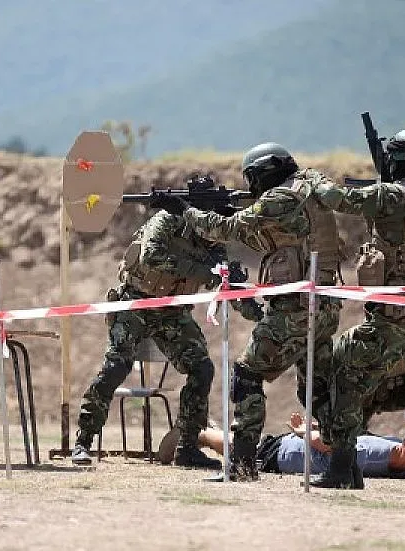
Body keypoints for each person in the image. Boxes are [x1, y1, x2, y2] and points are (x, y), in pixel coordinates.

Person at [150, 143, 345, 481]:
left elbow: (229, 231)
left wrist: (183, 209)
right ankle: (345, 467)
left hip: (296, 309)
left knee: (247, 374)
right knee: (319, 386)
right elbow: (270, 239)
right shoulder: (308, 193)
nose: (252, 187)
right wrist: (226, 213)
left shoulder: (279, 199)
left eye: (253, 179)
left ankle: (241, 466)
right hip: (324, 305)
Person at [312, 129, 405, 495]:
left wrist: (313, 180)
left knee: (347, 372)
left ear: (395, 161)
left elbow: (337, 199)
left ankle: (343, 466)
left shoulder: (388, 196)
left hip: (395, 313)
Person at [71, 200, 263, 469]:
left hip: (172, 312)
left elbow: (226, 285)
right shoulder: (169, 220)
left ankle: (187, 448)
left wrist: (254, 308)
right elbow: (152, 255)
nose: (216, 234)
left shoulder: (215, 246)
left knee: (202, 369)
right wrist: (204, 271)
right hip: (135, 303)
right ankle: (84, 441)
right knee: (116, 367)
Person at [161, 413, 405, 479]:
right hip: (288, 454)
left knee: (243, 445)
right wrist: (303, 430)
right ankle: (197, 432)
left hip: (295, 450)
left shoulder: (397, 452)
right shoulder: (381, 454)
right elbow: (330, 446)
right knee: (239, 448)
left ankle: (208, 427)